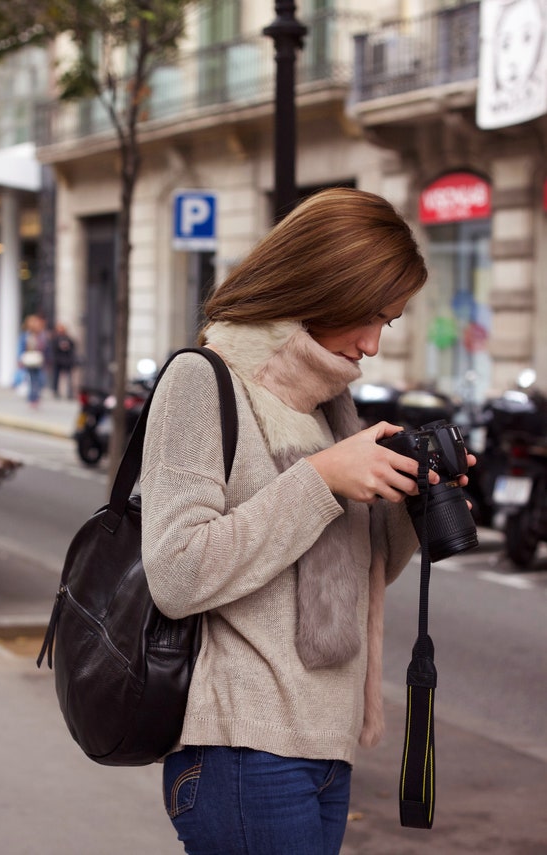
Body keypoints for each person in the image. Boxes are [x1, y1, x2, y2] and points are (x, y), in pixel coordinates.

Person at [140, 188, 476, 855]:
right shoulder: (205, 380)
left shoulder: (331, 406)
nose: (375, 344)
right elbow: (175, 570)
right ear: (326, 286)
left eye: (391, 322)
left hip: (325, 747)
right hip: (242, 747)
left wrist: (413, 503)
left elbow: (352, 573)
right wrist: (321, 478)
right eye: (371, 317)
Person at [18, 314, 49, 407]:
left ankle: (35, 396)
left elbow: (46, 347)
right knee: (32, 379)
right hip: (30, 359)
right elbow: (21, 347)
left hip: (39, 359)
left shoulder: (42, 335)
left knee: (40, 379)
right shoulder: (25, 335)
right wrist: (20, 359)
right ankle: (32, 398)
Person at [51, 322, 76, 399]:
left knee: (68, 377)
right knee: (56, 376)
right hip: (58, 360)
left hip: (67, 360)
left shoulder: (68, 338)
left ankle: (69, 392)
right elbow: (53, 348)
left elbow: (73, 346)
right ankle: (56, 391)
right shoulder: (55, 338)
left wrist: (67, 346)